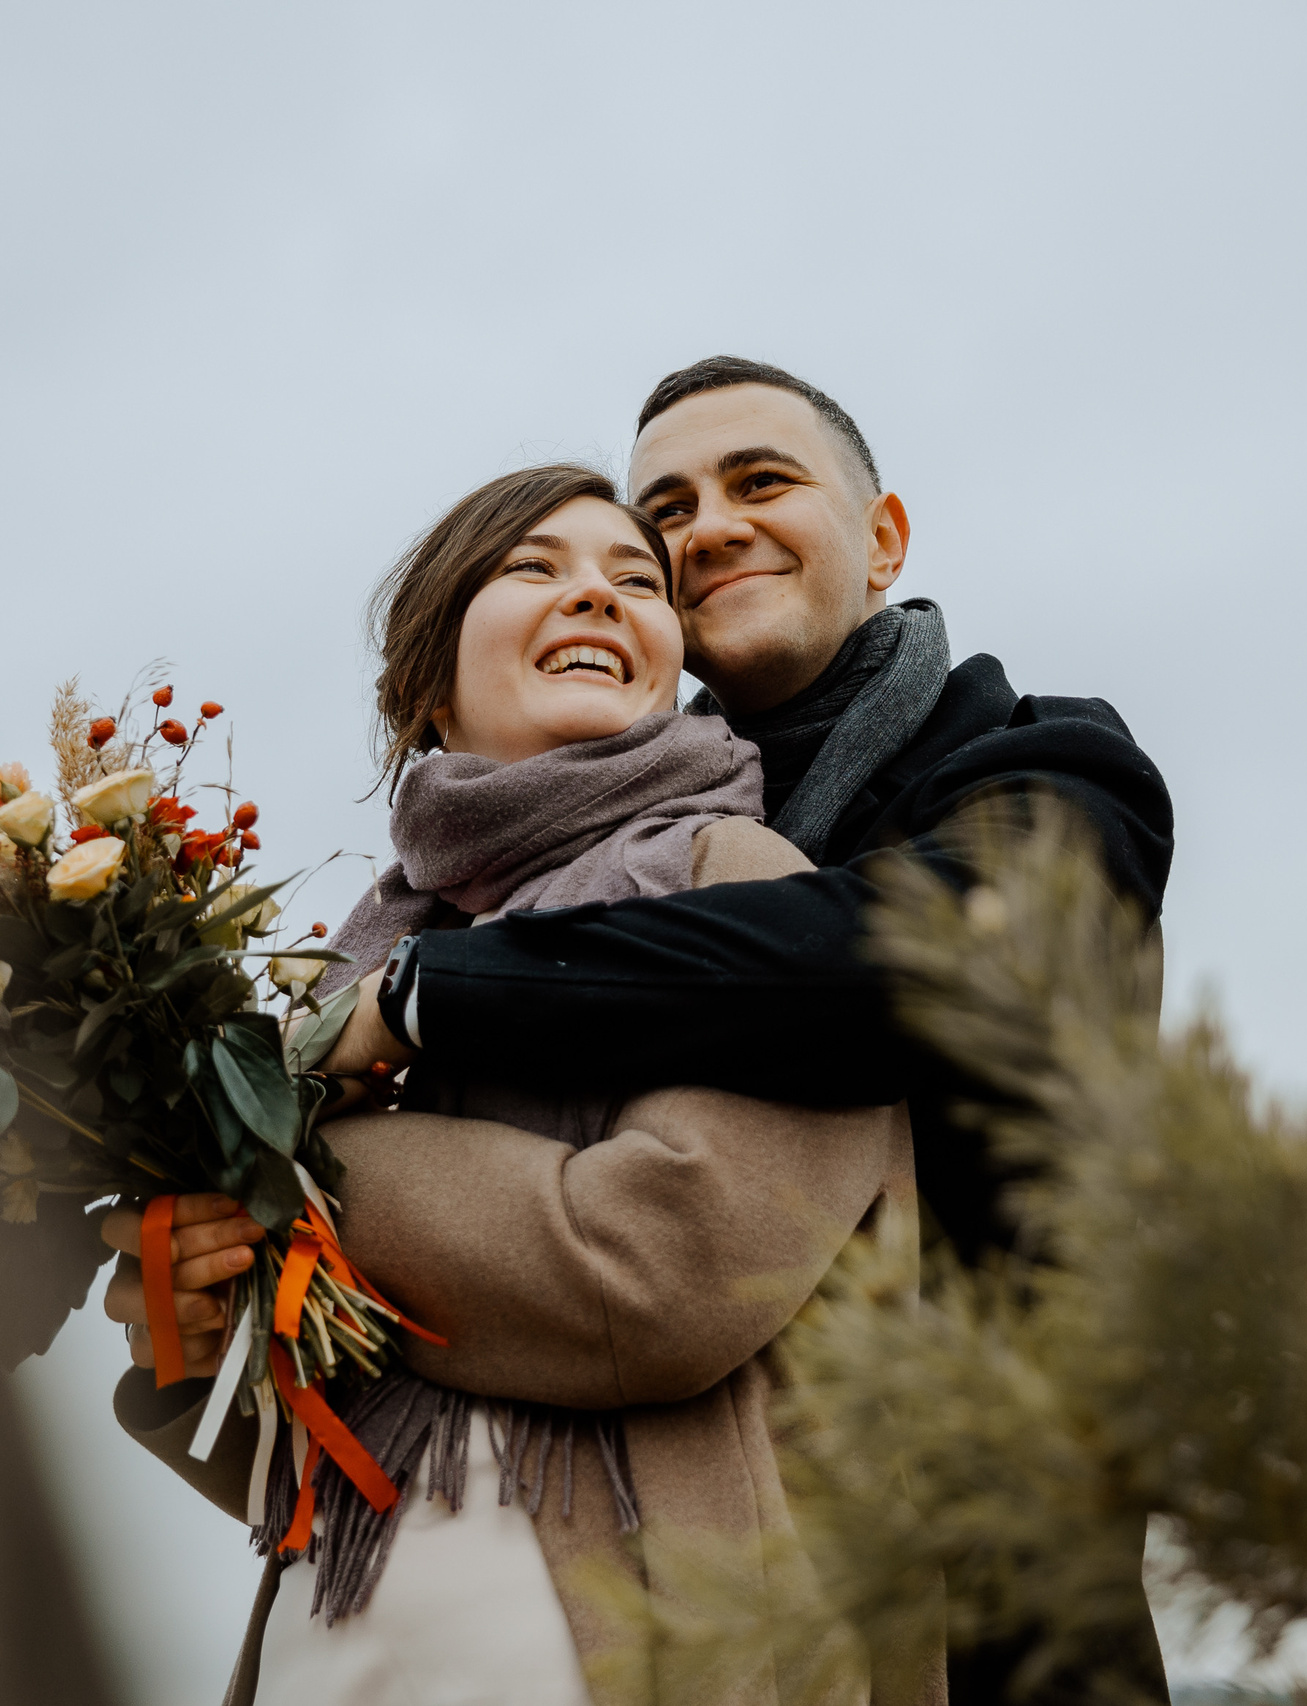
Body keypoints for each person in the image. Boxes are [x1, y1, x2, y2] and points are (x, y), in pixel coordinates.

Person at [314, 358, 1176, 1704]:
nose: (710, 523)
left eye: (762, 481)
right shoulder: (604, 851)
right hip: (648, 1578)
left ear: (884, 538)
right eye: (669, 510)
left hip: (994, 1603)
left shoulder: (1045, 768)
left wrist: (410, 1025)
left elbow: (906, 964)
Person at [104, 463, 937, 1706]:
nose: (596, 596)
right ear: (430, 678)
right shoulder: (361, 953)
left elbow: (659, 1273)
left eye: (635, 580)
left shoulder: (743, 886)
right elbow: (330, 1439)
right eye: (535, 568)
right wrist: (195, 1322)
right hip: (334, 1650)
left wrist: (289, 1168)